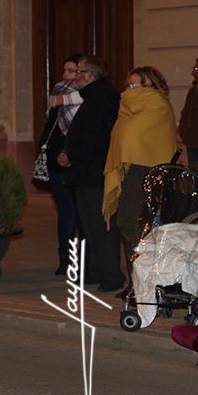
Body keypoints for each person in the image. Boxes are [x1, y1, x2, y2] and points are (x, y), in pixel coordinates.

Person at [102, 66, 177, 295]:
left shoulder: (158, 105)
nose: (130, 91)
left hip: (148, 170)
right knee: (129, 225)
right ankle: (137, 281)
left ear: (151, 86)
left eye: (137, 86)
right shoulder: (127, 111)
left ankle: (144, 283)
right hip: (131, 170)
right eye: (129, 85)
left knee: (134, 225)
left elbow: (133, 137)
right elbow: (123, 139)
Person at [58, 56, 123, 292]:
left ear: (89, 75)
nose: (75, 76)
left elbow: (96, 136)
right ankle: (94, 270)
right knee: (88, 225)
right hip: (87, 172)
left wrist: (71, 154)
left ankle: (110, 274)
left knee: (101, 225)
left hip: (95, 172)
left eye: (79, 72)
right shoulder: (95, 96)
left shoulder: (102, 97)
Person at [39, 55, 82, 275]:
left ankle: (82, 258)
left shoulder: (85, 97)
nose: (67, 75)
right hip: (56, 159)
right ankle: (65, 258)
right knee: (66, 210)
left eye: (73, 71)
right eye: (65, 70)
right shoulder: (57, 95)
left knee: (80, 211)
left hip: (79, 161)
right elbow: (49, 127)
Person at [178, 58, 198, 168]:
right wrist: (183, 131)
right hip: (192, 142)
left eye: (196, 68)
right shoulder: (193, 91)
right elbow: (185, 113)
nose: (193, 73)